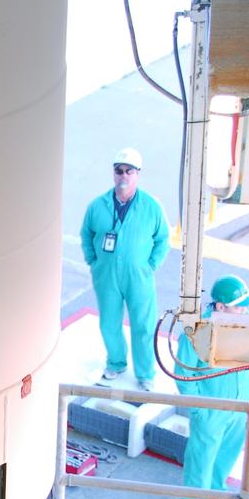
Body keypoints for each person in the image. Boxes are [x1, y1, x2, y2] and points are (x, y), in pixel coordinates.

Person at [80, 148, 170, 392]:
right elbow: (86, 234)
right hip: (106, 276)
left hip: (138, 276)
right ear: (113, 174)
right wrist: (94, 261)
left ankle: (145, 373)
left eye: (129, 171)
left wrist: (150, 265)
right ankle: (116, 362)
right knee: (109, 322)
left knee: (143, 324)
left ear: (137, 174)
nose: (123, 176)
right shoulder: (98, 206)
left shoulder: (151, 207)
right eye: (119, 170)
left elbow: (163, 239)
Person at [175, 275, 249, 499]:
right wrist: (199, 408)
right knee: (202, 458)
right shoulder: (198, 330)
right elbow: (184, 374)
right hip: (212, 409)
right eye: (238, 305)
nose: (244, 310)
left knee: (225, 457)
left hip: (241, 407)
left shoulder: (244, 323)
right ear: (220, 307)